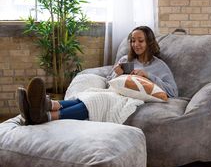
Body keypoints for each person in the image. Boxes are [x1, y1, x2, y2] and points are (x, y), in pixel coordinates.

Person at [17, 26, 178, 125]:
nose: (136, 44)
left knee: (97, 100)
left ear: (149, 42)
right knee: (88, 95)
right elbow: (109, 83)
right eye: (133, 41)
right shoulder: (125, 60)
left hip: (131, 99)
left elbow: (173, 92)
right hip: (114, 92)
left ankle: (43, 114)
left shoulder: (159, 66)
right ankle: (40, 109)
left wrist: (148, 76)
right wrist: (116, 74)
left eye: (140, 41)